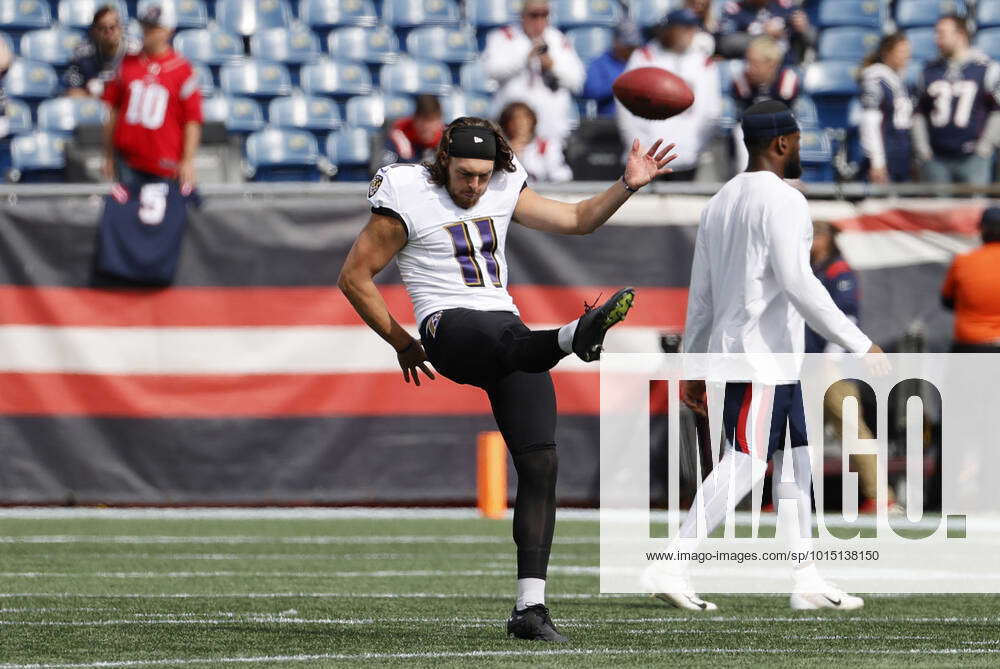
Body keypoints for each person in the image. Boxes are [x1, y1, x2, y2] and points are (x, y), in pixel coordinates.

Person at [338, 116, 676, 641]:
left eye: (484, 174)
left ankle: (530, 608)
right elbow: (354, 276)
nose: (475, 185)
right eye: (466, 174)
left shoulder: (501, 186)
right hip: (447, 325)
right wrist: (402, 342)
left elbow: (580, 219)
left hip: (507, 327)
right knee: (506, 338)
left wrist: (627, 184)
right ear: (445, 159)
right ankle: (571, 338)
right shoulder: (407, 192)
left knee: (541, 462)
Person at [646, 100, 886, 611]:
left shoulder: (721, 201)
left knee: (796, 465)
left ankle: (806, 579)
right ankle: (673, 559)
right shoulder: (785, 200)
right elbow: (799, 284)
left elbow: (702, 296)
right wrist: (858, 341)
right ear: (781, 143)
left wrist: (693, 365)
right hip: (759, 358)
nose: (799, 149)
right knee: (748, 464)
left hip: (765, 359)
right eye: (797, 140)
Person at [806, 221, 897, 514]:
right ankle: (794, 496)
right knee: (802, 434)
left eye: (815, 236)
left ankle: (881, 495)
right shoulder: (810, 270)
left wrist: (831, 360)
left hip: (835, 366)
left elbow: (848, 319)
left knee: (851, 429)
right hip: (808, 363)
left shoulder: (838, 271)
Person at [102, 3, 202, 191]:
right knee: (128, 217)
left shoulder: (182, 70)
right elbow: (113, 111)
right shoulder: (126, 63)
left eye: (154, 27)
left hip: (165, 163)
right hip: (128, 161)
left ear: (168, 30)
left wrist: (188, 161)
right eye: (145, 26)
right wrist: (108, 154)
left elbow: (192, 120)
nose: (147, 32)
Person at [618, 8, 721, 181]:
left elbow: (711, 112)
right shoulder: (644, 57)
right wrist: (636, 144)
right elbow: (626, 104)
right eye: (682, 28)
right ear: (668, 29)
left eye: (691, 28)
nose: (688, 34)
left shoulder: (703, 63)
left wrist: (696, 147)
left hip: (688, 156)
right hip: (647, 155)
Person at [482, 0, 585, 146]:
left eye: (545, 14)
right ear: (522, 15)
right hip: (513, 127)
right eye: (534, 15)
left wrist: (553, 66)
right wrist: (524, 59)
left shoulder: (558, 39)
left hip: (550, 129)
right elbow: (491, 70)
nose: (539, 20)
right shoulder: (504, 37)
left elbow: (578, 81)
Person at [913, 16, 1000, 186]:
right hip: (937, 159)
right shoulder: (929, 70)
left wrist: (985, 147)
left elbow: (997, 111)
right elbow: (919, 113)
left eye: (942, 34)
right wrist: (923, 150)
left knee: (972, 211)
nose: (936, 39)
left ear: (960, 35)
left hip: (973, 159)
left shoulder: (985, 68)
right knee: (938, 211)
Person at [941, 207, 1000, 352]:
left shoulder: (963, 261)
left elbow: (947, 301)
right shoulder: (962, 261)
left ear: (981, 229)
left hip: (970, 345)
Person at [859, 33, 914, 184]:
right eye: (902, 51)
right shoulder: (876, 79)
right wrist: (877, 162)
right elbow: (870, 121)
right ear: (887, 52)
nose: (907, 56)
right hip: (885, 153)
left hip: (901, 155)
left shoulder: (899, 81)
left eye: (908, 52)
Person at [63, 5, 135, 98]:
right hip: (92, 104)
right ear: (94, 32)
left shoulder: (134, 52)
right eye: (102, 28)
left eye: (112, 27)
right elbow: (71, 90)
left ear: (120, 28)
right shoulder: (83, 54)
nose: (108, 32)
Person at [717, 0, 815, 64]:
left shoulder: (785, 5)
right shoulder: (734, 8)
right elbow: (726, 44)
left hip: (785, 69)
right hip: (749, 74)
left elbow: (813, 40)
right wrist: (764, 35)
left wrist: (804, 29)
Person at [498, 101, 573, 183]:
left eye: (524, 118)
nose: (519, 123)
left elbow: (562, 175)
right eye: (514, 119)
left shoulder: (547, 146)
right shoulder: (499, 148)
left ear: (532, 121)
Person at [581, 20, 642, 118]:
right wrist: (621, 84)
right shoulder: (599, 63)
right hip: (610, 121)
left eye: (633, 46)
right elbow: (590, 91)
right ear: (615, 42)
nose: (630, 50)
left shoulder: (641, 60)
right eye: (627, 46)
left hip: (639, 120)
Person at [377, 94, 444, 168]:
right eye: (423, 120)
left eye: (432, 120)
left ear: (439, 121)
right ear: (415, 120)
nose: (427, 127)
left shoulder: (446, 139)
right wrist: (405, 154)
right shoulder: (400, 133)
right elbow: (384, 169)